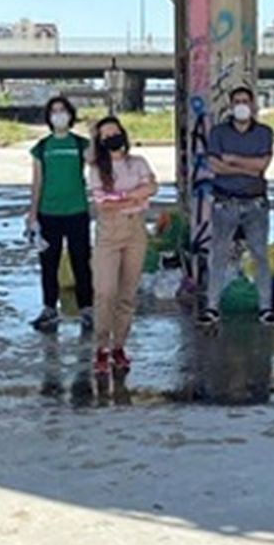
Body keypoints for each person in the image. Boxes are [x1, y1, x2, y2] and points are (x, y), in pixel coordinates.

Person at [198, 85, 274, 329]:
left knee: (260, 256)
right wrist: (248, 168)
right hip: (225, 203)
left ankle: (266, 308)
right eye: (237, 101)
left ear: (253, 105)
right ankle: (212, 307)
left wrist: (232, 160)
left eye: (246, 100)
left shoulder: (264, 132)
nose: (242, 105)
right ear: (231, 106)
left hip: (256, 203)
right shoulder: (218, 132)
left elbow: (262, 165)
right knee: (219, 256)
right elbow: (215, 165)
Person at [87, 116, 158, 376]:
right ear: (100, 141)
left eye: (115, 132)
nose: (112, 138)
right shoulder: (97, 169)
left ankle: (119, 346)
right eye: (106, 136)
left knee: (127, 294)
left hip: (136, 230)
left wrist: (122, 197)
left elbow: (152, 187)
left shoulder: (137, 162)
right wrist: (133, 196)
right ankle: (101, 347)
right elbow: (102, 204)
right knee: (105, 292)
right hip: (108, 232)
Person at [27, 95, 94, 334]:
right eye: (54, 111)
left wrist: (94, 134)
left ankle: (87, 308)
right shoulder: (42, 147)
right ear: (48, 117)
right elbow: (37, 183)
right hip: (48, 213)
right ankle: (49, 308)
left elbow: (94, 161)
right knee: (49, 263)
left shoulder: (80, 144)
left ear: (70, 115)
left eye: (63, 111)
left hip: (77, 212)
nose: (59, 115)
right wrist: (32, 214)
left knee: (81, 261)